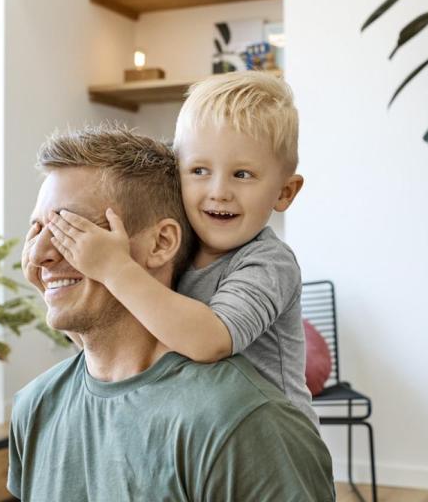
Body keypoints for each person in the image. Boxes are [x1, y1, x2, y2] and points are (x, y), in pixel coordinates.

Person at [11, 125, 334, 501]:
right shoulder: (34, 407)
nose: (38, 254)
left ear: (161, 243)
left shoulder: (241, 424)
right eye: (36, 228)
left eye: (70, 228)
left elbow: (213, 336)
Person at [47, 72, 317, 425]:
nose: (219, 191)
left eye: (243, 175)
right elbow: (125, 339)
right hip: (204, 432)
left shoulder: (269, 262)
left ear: (285, 192)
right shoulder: (177, 249)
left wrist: (115, 268)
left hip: (273, 445)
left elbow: (210, 340)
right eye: (199, 170)